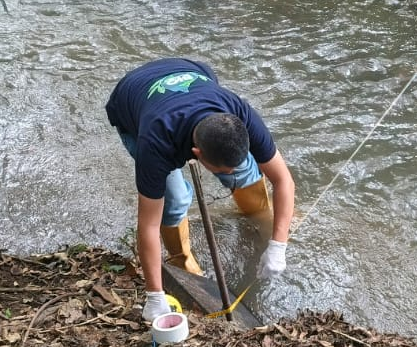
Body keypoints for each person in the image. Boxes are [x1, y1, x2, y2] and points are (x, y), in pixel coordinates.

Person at [105, 58, 296, 322]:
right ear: (196, 154)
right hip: (131, 103)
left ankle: (259, 218)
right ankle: (181, 260)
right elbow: (147, 225)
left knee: (244, 172)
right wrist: (154, 295)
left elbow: (283, 179)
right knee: (174, 201)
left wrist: (278, 244)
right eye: (221, 169)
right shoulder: (155, 143)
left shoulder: (239, 113)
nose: (226, 172)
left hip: (188, 70)